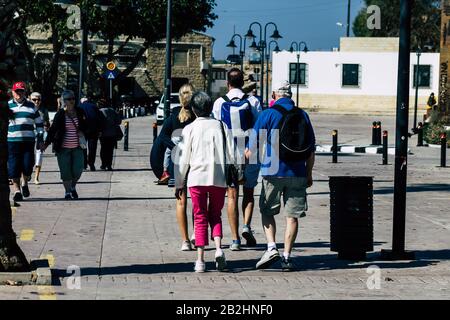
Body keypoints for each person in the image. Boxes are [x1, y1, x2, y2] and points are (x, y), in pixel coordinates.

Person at [246, 80, 316, 271]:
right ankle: (286, 257)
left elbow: (252, 147)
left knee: (267, 211)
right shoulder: (303, 115)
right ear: (290, 95)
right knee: (292, 216)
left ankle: (271, 247)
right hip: (298, 172)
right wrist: (308, 174)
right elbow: (311, 150)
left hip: (272, 171)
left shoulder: (267, 114)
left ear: (274, 95)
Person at [175, 91, 236, 273]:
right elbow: (232, 154)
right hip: (218, 177)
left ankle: (200, 260)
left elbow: (183, 159)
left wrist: (179, 182)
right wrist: (235, 175)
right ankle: (218, 249)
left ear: (193, 109)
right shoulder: (221, 126)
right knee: (215, 214)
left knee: (199, 216)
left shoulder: (190, 129)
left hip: (196, 178)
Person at [212, 68, 262, 251]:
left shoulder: (219, 103)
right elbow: (259, 127)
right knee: (249, 193)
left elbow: (216, 128)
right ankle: (246, 226)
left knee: (232, 196)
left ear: (228, 83)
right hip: (250, 153)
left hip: (229, 155)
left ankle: (234, 240)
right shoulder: (253, 101)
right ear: (243, 83)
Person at [159, 83, 196, 251]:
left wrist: (174, 147)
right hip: (196, 162)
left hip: (178, 164)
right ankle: (197, 233)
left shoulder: (173, 115)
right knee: (197, 201)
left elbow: (162, 136)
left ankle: (185, 240)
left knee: (181, 202)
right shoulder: (197, 115)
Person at [42, 90, 87, 200]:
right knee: (65, 171)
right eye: (69, 99)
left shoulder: (80, 112)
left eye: (73, 98)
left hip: (78, 147)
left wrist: (83, 131)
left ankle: (72, 187)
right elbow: (53, 130)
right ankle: (67, 192)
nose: (72, 101)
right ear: (64, 101)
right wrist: (46, 143)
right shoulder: (60, 114)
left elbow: (87, 125)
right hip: (62, 148)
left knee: (78, 169)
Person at [7, 82, 44, 202]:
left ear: (24, 92)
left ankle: (25, 183)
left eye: (21, 91)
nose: (19, 93)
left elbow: (39, 124)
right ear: (12, 92)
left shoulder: (32, 106)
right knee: (14, 167)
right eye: (17, 91)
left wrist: (40, 138)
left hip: (28, 142)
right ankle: (17, 191)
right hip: (12, 141)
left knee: (28, 166)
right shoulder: (7, 106)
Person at [30, 92, 50, 185]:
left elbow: (47, 122)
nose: (37, 101)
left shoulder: (43, 110)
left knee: (39, 156)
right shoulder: (27, 109)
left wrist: (46, 125)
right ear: (30, 99)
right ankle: (27, 172)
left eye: (38, 99)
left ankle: (36, 178)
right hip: (28, 135)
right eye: (34, 99)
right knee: (28, 156)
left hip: (40, 135)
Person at [98, 99, 122, 171]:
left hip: (103, 134)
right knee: (110, 150)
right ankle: (109, 165)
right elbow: (119, 121)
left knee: (103, 149)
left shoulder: (99, 111)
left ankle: (103, 164)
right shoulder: (112, 111)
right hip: (112, 134)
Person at [79, 93, 100, 171]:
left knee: (83, 147)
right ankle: (91, 164)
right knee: (92, 148)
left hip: (82, 131)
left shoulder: (79, 107)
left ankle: (84, 165)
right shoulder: (94, 106)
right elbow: (99, 118)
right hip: (93, 130)